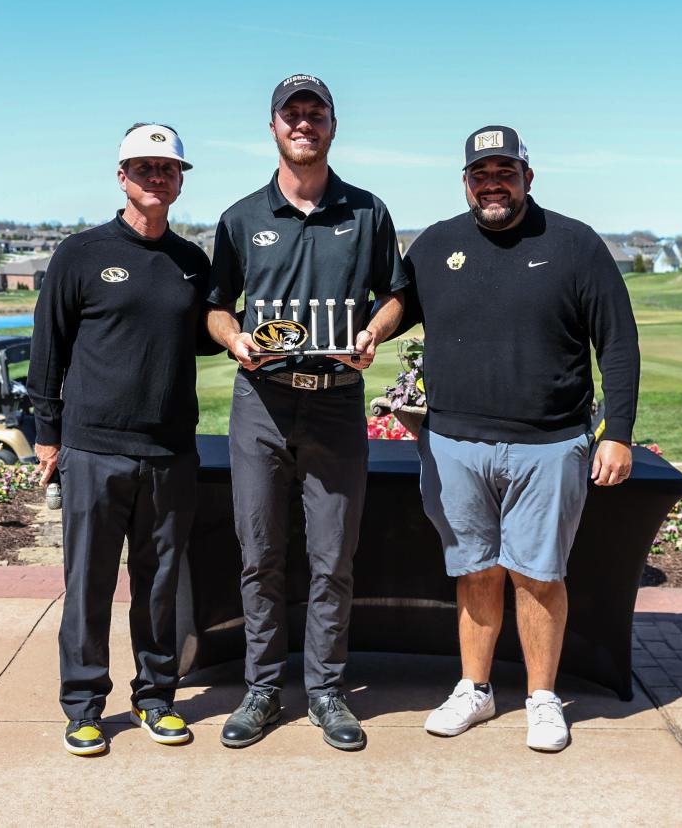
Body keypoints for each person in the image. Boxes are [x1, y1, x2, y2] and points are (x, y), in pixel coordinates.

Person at [402, 125, 640, 752]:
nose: (493, 183)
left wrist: (619, 432)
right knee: (476, 571)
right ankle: (475, 690)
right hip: (454, 442)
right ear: (466, 181)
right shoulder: (436, 244)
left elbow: (617, 342)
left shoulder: (574, 244)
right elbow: (394, 305)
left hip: (549, 442)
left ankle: (541, 698)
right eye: (481, 174)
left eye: (505, 171)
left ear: (528, 178)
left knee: (538, 576)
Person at [206, 74, 408, 751]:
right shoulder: (241, 218)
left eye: (314, 113)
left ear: (332, 125)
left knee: (333, 560)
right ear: (272, 127)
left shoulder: (368, 212)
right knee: (260, 555)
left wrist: (375, 332)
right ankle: (262, 688)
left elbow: (398, 296)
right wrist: (234, 338)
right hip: (261, 404)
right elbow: (214, 304)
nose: (303, 124)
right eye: (291, 114)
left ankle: (325, 691)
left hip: (336, 404)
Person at [28, 123, 217, 757]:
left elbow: (207, 337)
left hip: (169, 450)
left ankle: (156, 698)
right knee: (88, 582)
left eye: (167, 169)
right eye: (143, 168)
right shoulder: (79, 255)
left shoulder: (192, 263)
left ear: (181, 179)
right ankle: (83, 705)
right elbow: (47, 352)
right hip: (94, 447)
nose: (155, 178)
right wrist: (47, 436)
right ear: (122, 176)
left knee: (160, 583)